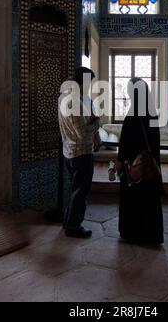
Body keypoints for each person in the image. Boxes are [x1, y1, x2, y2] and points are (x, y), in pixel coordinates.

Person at [115, 78, 164, 245]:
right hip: (149, 167)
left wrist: (120, 161)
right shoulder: (151, 113)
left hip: (134, 167)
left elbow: (126, 143)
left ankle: (133, 233)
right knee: (149, 202)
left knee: (133, 200)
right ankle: (151, 235)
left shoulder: (133, 115)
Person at [59, 67, 101, 238]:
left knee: (76, 189)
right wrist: (97, 123)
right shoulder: (73, 102)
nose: (90, 86)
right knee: (81, 191)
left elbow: (86, 122)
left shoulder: (67, 97)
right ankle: (73, 226)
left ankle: (68, 221)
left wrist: (96, 137)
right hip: (80, 153)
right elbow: (83, 132)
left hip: (70, 151)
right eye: (89, 82)